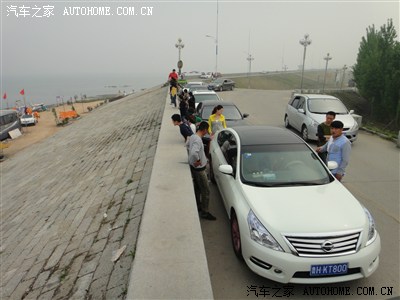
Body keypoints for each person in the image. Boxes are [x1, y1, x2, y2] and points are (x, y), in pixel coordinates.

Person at [187, 121, 216, 220]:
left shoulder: (192, 136)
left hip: (194, 168)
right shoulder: (198, 140)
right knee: (206, 191)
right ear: (204, 130)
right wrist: (198, 160)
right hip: (199, 170)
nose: (207, 132)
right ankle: (205, 212)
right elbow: (194, 152)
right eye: (207, 130)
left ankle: (199, 205)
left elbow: (187, 146)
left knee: (198, 188)